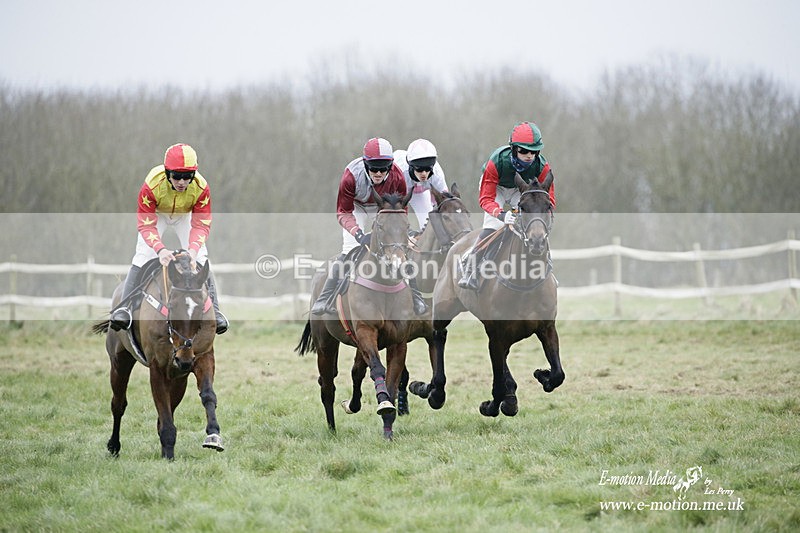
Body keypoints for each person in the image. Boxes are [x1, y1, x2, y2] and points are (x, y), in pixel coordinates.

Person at [110, 143, 229, 334]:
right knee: (143, 255)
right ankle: (125, 308)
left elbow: (201, 224)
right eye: (177, 176)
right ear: (167, 173)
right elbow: (146, 224)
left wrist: (192, 250)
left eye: (187, 177)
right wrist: (160, 249)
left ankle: (215, 310)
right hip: (157, 216)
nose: (182, 182)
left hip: (185, 216)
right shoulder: (152, 185)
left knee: (201, 258)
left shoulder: (201, 187)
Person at [310, 137, 428, 316]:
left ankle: (417, 297)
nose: (378, 173)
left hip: (383, 210)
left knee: (400, 252)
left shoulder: (397, 176)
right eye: (374, 168)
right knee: (349, 249)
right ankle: (325, 298)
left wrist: (402, 231)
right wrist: (358, 234)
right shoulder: (351, 176)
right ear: (365, 164)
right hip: (356, 209)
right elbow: (343, 212)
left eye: (383, 168)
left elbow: (401, 208)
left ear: (390, 166)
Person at [458, 121, 557, 290]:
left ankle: (548, 268)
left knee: (531, 226)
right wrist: (501, 214)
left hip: (522, 188)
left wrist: (539, 216)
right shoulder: (496, 162)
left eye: (534, 152)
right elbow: (485, 199)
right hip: (495, 188)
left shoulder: (542, 167)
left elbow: (549, 200)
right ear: (514, 149)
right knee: (494, 225)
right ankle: (471, 267)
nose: (529, 156)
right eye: (524, 151)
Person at [393, 139, 449, 229]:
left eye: (428, 169)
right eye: (419, 169)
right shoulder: (399, 172)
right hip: (398, 191)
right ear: (410, 165)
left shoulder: (437, 174)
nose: (424, 173)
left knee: (427, 223)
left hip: (420, 193)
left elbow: (444, 202)